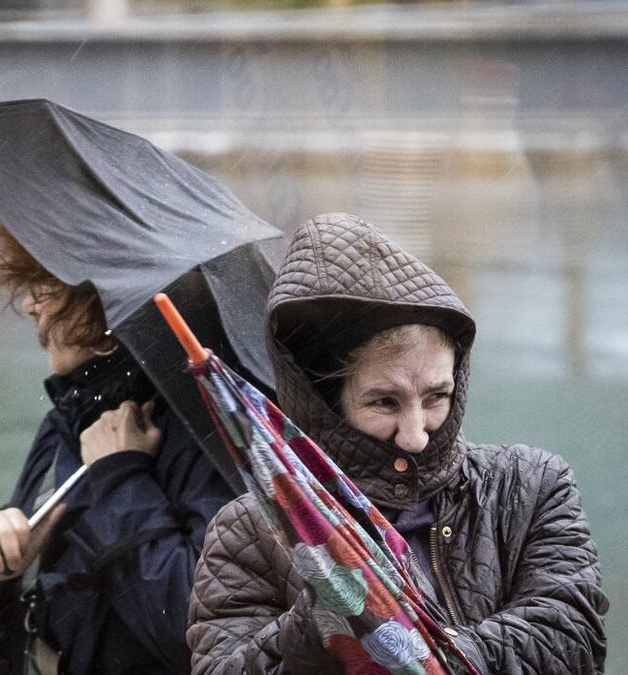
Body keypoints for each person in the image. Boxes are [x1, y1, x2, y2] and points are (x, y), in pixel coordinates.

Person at [187, 213, 609, 674]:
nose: (415, 434)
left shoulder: (530, 488)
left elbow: (573, 637)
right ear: (325, 403)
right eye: (385, 402)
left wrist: (420, 647)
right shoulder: (248, 531)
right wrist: (325, 617)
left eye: (437, 397)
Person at [0, 222, 238, 674]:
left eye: (48, 285)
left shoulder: (208, 436)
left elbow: (199, 637)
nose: (30, 305)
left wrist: (121, 476)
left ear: (106, 302)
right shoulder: (70, 420)